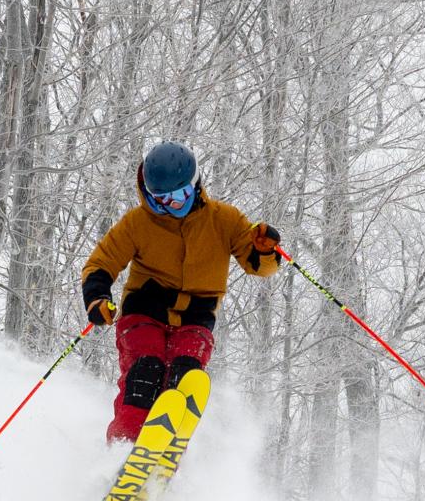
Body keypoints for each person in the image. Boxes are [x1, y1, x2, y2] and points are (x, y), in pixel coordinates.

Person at [81, 141, 281, 443]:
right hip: (145, 310)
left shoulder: (224, 220)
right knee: (145, 370)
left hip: (196, 317)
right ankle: (125, 447)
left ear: (195, 185)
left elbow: (259, 267)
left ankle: (164, 451)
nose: (171, 206)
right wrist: (97, 298)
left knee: (184, 375)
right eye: (161, 199)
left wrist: (265, 250)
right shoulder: (138, 223)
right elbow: (101, 262)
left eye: (179, 196)